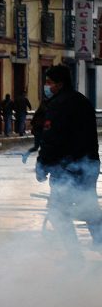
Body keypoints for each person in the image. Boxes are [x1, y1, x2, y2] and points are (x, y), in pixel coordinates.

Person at [34, 64, 102, 250]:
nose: (47, 87)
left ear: (60, 84)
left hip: (68, 168)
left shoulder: (58, 104)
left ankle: (74, 257)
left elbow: (51, 139)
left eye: (49, 83)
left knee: (57, 212)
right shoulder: (83, 101)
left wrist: (42, 164)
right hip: (89, 164)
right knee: (88, 206)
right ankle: (100, 242)